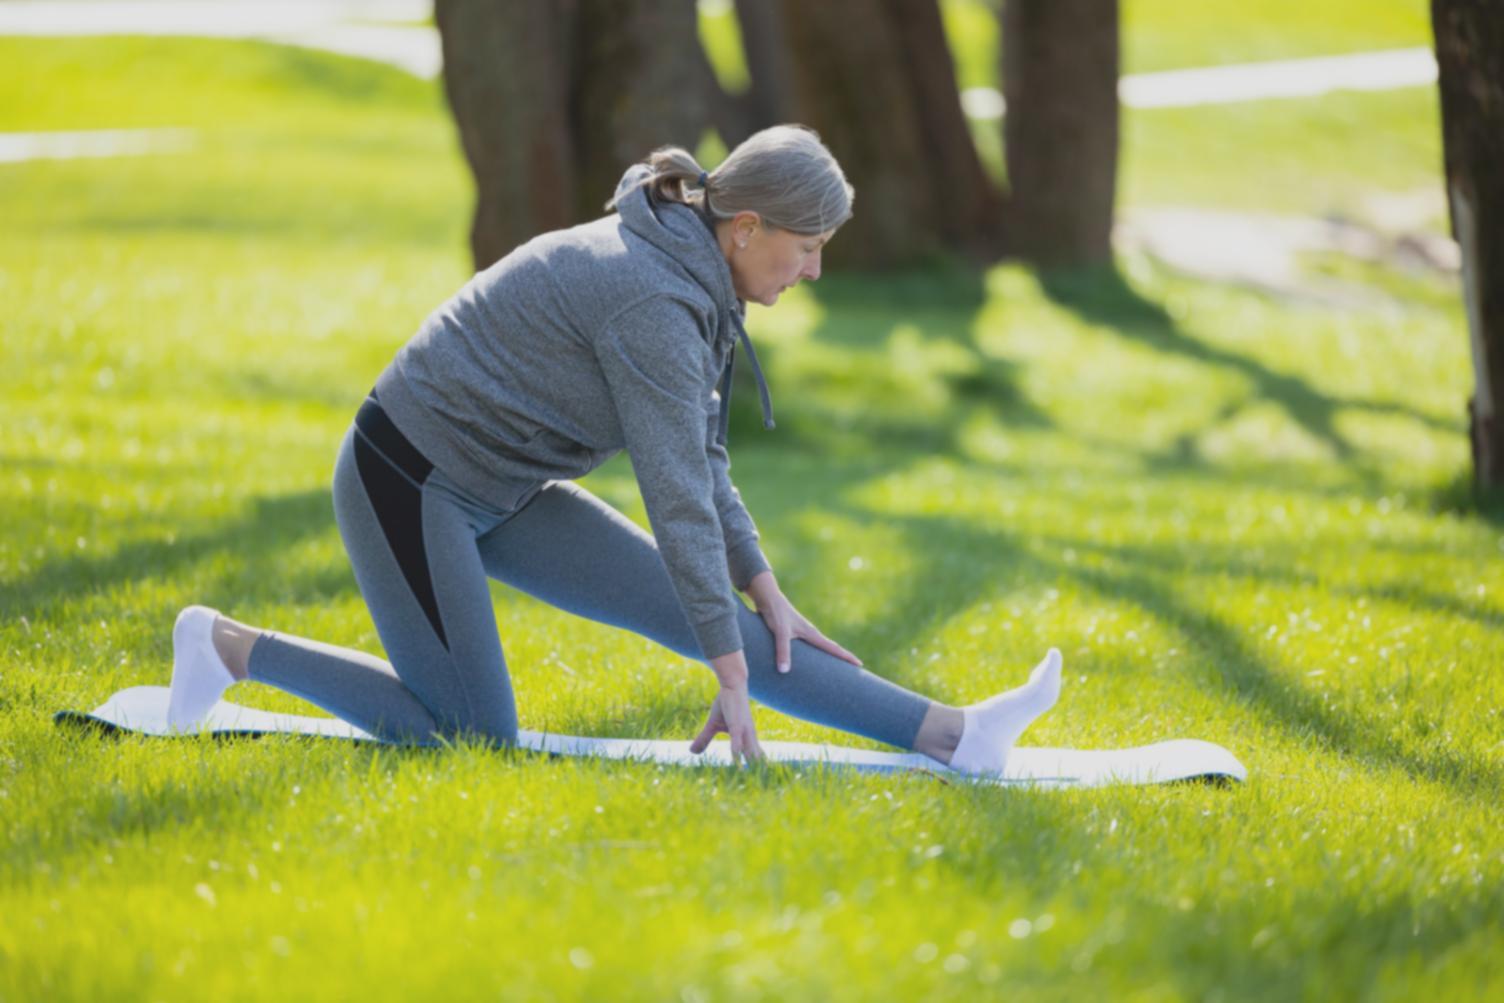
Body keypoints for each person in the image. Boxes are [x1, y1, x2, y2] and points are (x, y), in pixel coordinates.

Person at [165, 124, 1061, 774]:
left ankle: (954, 734)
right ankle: (228, 648)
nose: (815, 271)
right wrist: (725, 665)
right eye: (808, 248)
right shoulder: (653, 305)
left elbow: (705, 461)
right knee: (471, 738)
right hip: (409, 478)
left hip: (505, 485)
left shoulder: (693, 271)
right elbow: (673, 495)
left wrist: (762, 589)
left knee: (757, 631)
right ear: (746, 227)